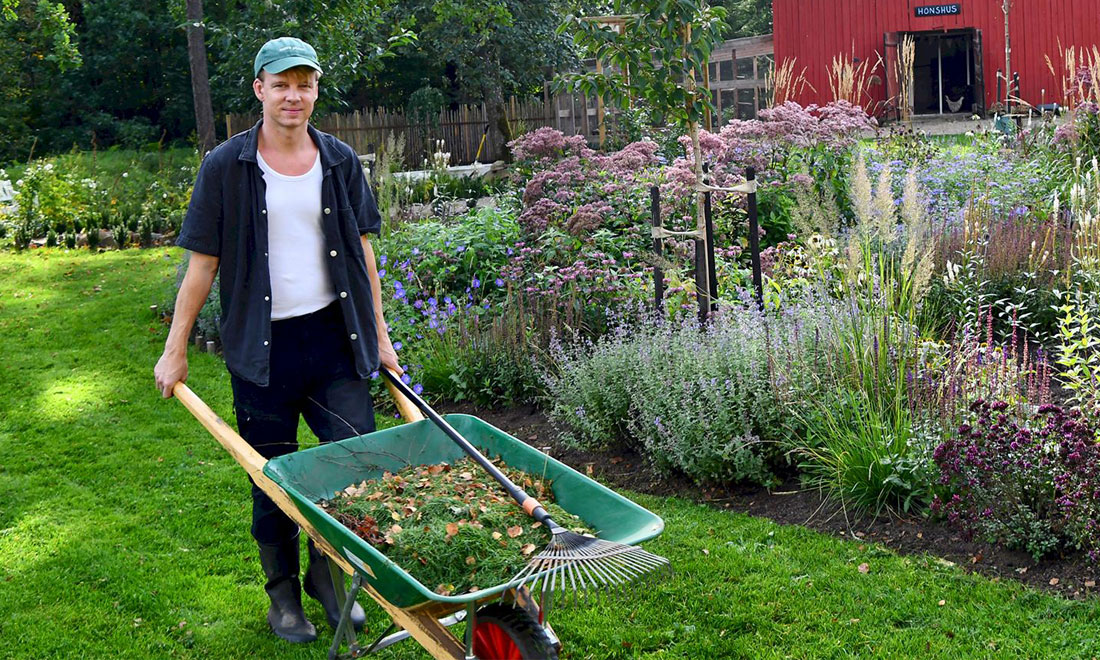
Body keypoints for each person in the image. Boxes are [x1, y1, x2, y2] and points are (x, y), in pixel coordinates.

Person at [154, 36, 401, 644]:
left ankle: (326, 573)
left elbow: (364, 255)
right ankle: (283, 597)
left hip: (334, 341)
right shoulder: (226, 166)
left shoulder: (340, 161)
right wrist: (175, 346)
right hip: (262, 353)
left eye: (305, 84)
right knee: (273, 474)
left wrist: (383, 338)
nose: (294, 96)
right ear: (261, 90)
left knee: (352, 464)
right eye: (282, 84)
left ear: (316, 91)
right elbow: (202, 263)